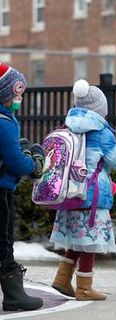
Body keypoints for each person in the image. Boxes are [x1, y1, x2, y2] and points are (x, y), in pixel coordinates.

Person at [50, 79, 116, 301]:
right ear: (100, 109)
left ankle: (62, 279)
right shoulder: (101, 130)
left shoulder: (68, 125)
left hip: (70, 191)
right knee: (90, 241)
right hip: (91, 194)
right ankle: (84, 288)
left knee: (78, 238)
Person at [0, 62, 45, 311]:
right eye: (17, 93)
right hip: (2, 190)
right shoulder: (4, 123)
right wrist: (33, 162)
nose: (19, 98)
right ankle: (14, 294)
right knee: (3, 241)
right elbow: (15, 162)